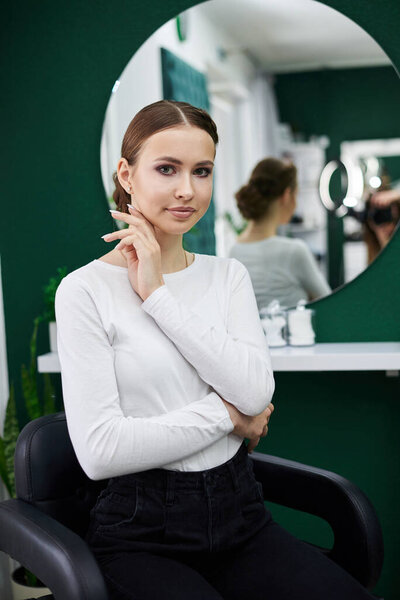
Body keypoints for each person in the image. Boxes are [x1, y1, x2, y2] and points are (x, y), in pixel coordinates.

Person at [55, 100, 375, 599]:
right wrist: (229, 417)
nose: (188, 190)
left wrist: (157, 295)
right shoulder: (84, 291)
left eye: (201, 171)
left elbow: (255, 391)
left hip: (241, 516)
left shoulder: (228, 276)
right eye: (167, 169)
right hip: (141, 535)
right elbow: (102, 452)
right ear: (127, 174)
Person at [229, 157, 331, 311]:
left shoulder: (235, 250)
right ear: (286, 195)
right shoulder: (294, 251)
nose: (296, 204)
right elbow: (329, 300)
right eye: (296, 195)